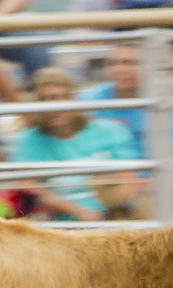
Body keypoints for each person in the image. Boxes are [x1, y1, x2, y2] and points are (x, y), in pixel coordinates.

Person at [10, 68, 142, 221]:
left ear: (73, 99)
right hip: (58, 224)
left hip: (112, 217)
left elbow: (128, 182)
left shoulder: (110, 131)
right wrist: (80, 212)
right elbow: (30, 188)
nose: (52, 106)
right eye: (44, 99)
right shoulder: (29, 140)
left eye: (60, 97)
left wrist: (105, 214)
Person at [80, 42, 147, 151]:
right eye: (113, 64)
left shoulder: (160, 101)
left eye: (130, 63)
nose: (121, 69)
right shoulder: (88, 100)